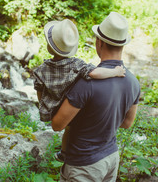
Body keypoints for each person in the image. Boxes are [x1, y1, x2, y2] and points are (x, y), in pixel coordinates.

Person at [51, 12, 141, 182]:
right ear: (122, 45)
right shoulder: (133, 82)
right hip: (111, 158)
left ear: (99, 42)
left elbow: (57, 124)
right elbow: (127, 123)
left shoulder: (86, 82)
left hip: (83, 165)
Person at [33, 19, 126, 162]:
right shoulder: (76, 65)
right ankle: (64, 153)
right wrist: (115, 72)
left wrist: (46, 107)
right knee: (70, 128)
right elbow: (95, 73)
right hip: (70, 107)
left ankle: (62, 153)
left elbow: (39, 90)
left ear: (49, 47)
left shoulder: (41, 69)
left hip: (52, 109)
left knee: (67, 128)